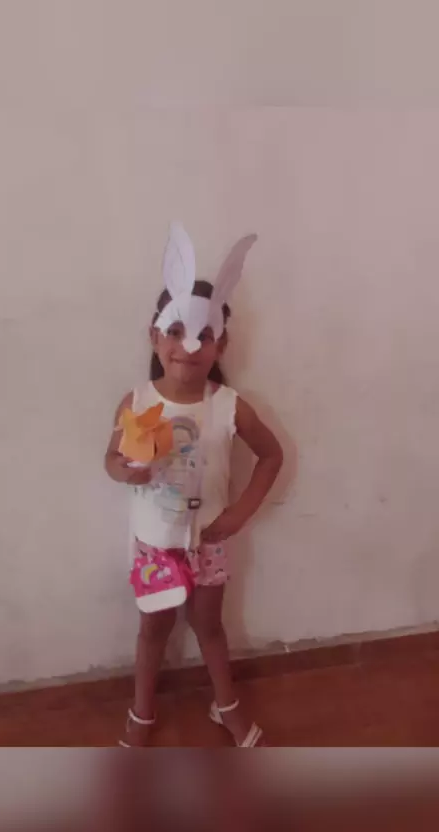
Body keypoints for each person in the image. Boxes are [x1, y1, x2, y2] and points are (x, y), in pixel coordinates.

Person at [105, 224, 283, 747]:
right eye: (176, 330)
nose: (189, 345)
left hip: (208, 542)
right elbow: (111, 459)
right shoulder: (137, 400)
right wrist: (126, 470)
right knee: (153, 632)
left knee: (210, 627)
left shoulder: (229, 406)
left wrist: (240, 513)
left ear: (220, 343)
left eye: (203, 334)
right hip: (154, 544)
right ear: (154, 336)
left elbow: (272, 455)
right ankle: (142, 713)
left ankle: (225, 706)